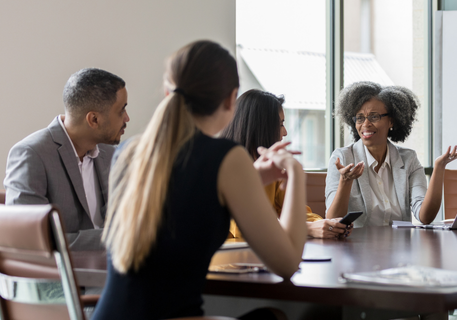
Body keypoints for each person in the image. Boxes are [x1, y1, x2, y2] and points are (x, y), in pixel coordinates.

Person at [92, 40, 307, 320]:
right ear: (231, 99)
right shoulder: (227, 158)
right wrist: (295, 175)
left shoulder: (129, 152)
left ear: (169, 91)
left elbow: (187, 192)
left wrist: (253, 177)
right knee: (276, 317)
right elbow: (288, 262)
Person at [4, 68, 129, 251]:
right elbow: (29, 241)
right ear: (93, 119)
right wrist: (115, 239)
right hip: (60, 276)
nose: (127, 118)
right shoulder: (31, 154)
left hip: (111, 269)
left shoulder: (109, 152)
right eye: (121, 111)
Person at [325, 82, 457, 227]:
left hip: (401, 246)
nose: (366, 124)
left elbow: (425, 216)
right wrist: (345, 181)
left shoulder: (409, 159)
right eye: (360, 118)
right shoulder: (343, 158)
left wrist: (439, 167)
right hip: (357, 247)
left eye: (374, 117)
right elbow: (332, 221)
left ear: (391, 121)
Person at [221, 89, 351, 239]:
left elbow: (300, 214)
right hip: (229, 258)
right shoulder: (226, 167)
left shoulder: (272, 168)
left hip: (261, 255)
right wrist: (307, 228)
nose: (285, 132)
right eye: (281, 124)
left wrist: (328, 224)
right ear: (261, 127)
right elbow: (244, 228)